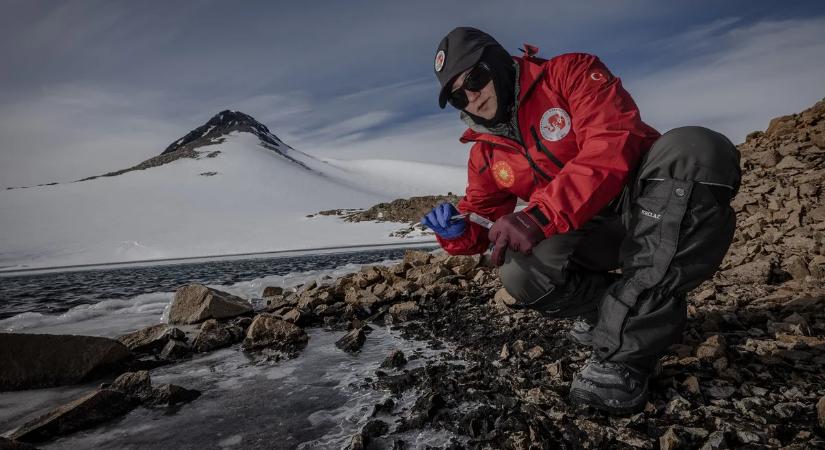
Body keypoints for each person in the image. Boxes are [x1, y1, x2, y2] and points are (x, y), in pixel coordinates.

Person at [422, 27, 741, 414]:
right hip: (590, 233)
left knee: (695, 148)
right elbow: (484, 217)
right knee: (518, 269)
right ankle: (608, 312)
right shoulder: (485, 153)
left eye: (475, 77)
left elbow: (612, 140)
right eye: (458, 93)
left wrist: (540, 215)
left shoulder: (569, 73)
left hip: (644, 207)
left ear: (498, 61)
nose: (471, 95)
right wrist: (458, 231)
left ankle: (622, 357)